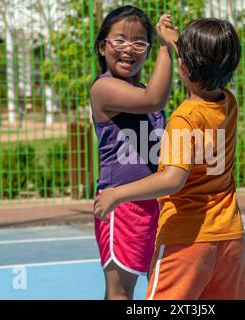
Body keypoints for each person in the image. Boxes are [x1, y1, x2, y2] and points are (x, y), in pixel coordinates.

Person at [93, 18, 245, 300]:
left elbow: (173, 179)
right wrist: (175, 43)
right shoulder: (228, 103)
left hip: (187, 237)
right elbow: (205, 64)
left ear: (184, 66)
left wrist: (117, 194)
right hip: (229, 234)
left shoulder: (184, 119)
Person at [89, 5, 178, 300]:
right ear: (103, 47)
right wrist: (167, 48)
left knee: (157, 287)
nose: (129, 48)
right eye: (119, 40)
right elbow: (154, 99)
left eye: (139, 42)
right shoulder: (103, 89)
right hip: (121, 205)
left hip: (154, 203)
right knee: (120, 292)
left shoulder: (141, 91)